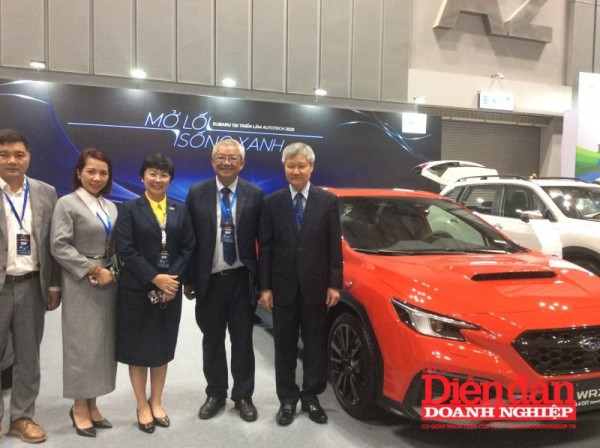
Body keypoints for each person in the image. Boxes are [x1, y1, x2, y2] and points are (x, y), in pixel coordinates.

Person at [258, 142, 342, 426]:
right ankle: (287, 399)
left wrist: (334, 284)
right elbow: (265, 248)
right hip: (282, 287)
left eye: (301, 166)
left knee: (315, 345)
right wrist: (265, 287)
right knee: (284, 346)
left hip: (316, 287)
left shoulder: (327, 201)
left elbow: (334, 246)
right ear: (284, 168)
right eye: (290, 166)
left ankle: (311, 397)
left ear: (311, 168)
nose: (296, 171)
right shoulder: (272, 202)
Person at [115, 153, 194, 434]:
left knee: (161, 348)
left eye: (163, 175)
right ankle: (141, 404)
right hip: (137, 289)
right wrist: (154, 277)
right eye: (152, 173)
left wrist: (171, 280)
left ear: (170, 179)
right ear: (142, 177)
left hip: (170, 290)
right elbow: (125, 249)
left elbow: (188, 247)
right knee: (138, 350)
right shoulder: (129, 209)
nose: (157, 179)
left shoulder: (180, 209)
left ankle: (156, 401)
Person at [185, 139, 263, 422]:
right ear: (212, 161)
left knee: (243, 341)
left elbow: (264, 242)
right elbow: (189, 240)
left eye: (232, 158)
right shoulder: (197, 192)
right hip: (210, 280)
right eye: (221, 157)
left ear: (242, 163)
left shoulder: (255, 194)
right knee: (212, 340)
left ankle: (243, 396)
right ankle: (215, 393)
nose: (226, 162)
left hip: (242, 279)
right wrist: (189, 279)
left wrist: (264, 285)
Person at [50, 148, 119, 438]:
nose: (97, 177)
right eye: (91, 171)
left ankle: (93, 404)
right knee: (82, 345)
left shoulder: (110, 207)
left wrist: (113, 272)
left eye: (103, 172)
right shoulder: (66, 204)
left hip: (108, 281)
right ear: (79, 173)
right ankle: (79, 406)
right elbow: (59, 245)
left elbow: (115, 246)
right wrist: (92, 269)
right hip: (81, 281)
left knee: (102, 345)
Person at [0, 129, 61, 443]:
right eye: (4, 154)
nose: (12, 160)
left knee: (28, 357)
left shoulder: (45, 192)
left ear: (28, 157)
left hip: (31, 285)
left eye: (18, 154)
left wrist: (54, 285)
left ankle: (21, 417)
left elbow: (53, 243)